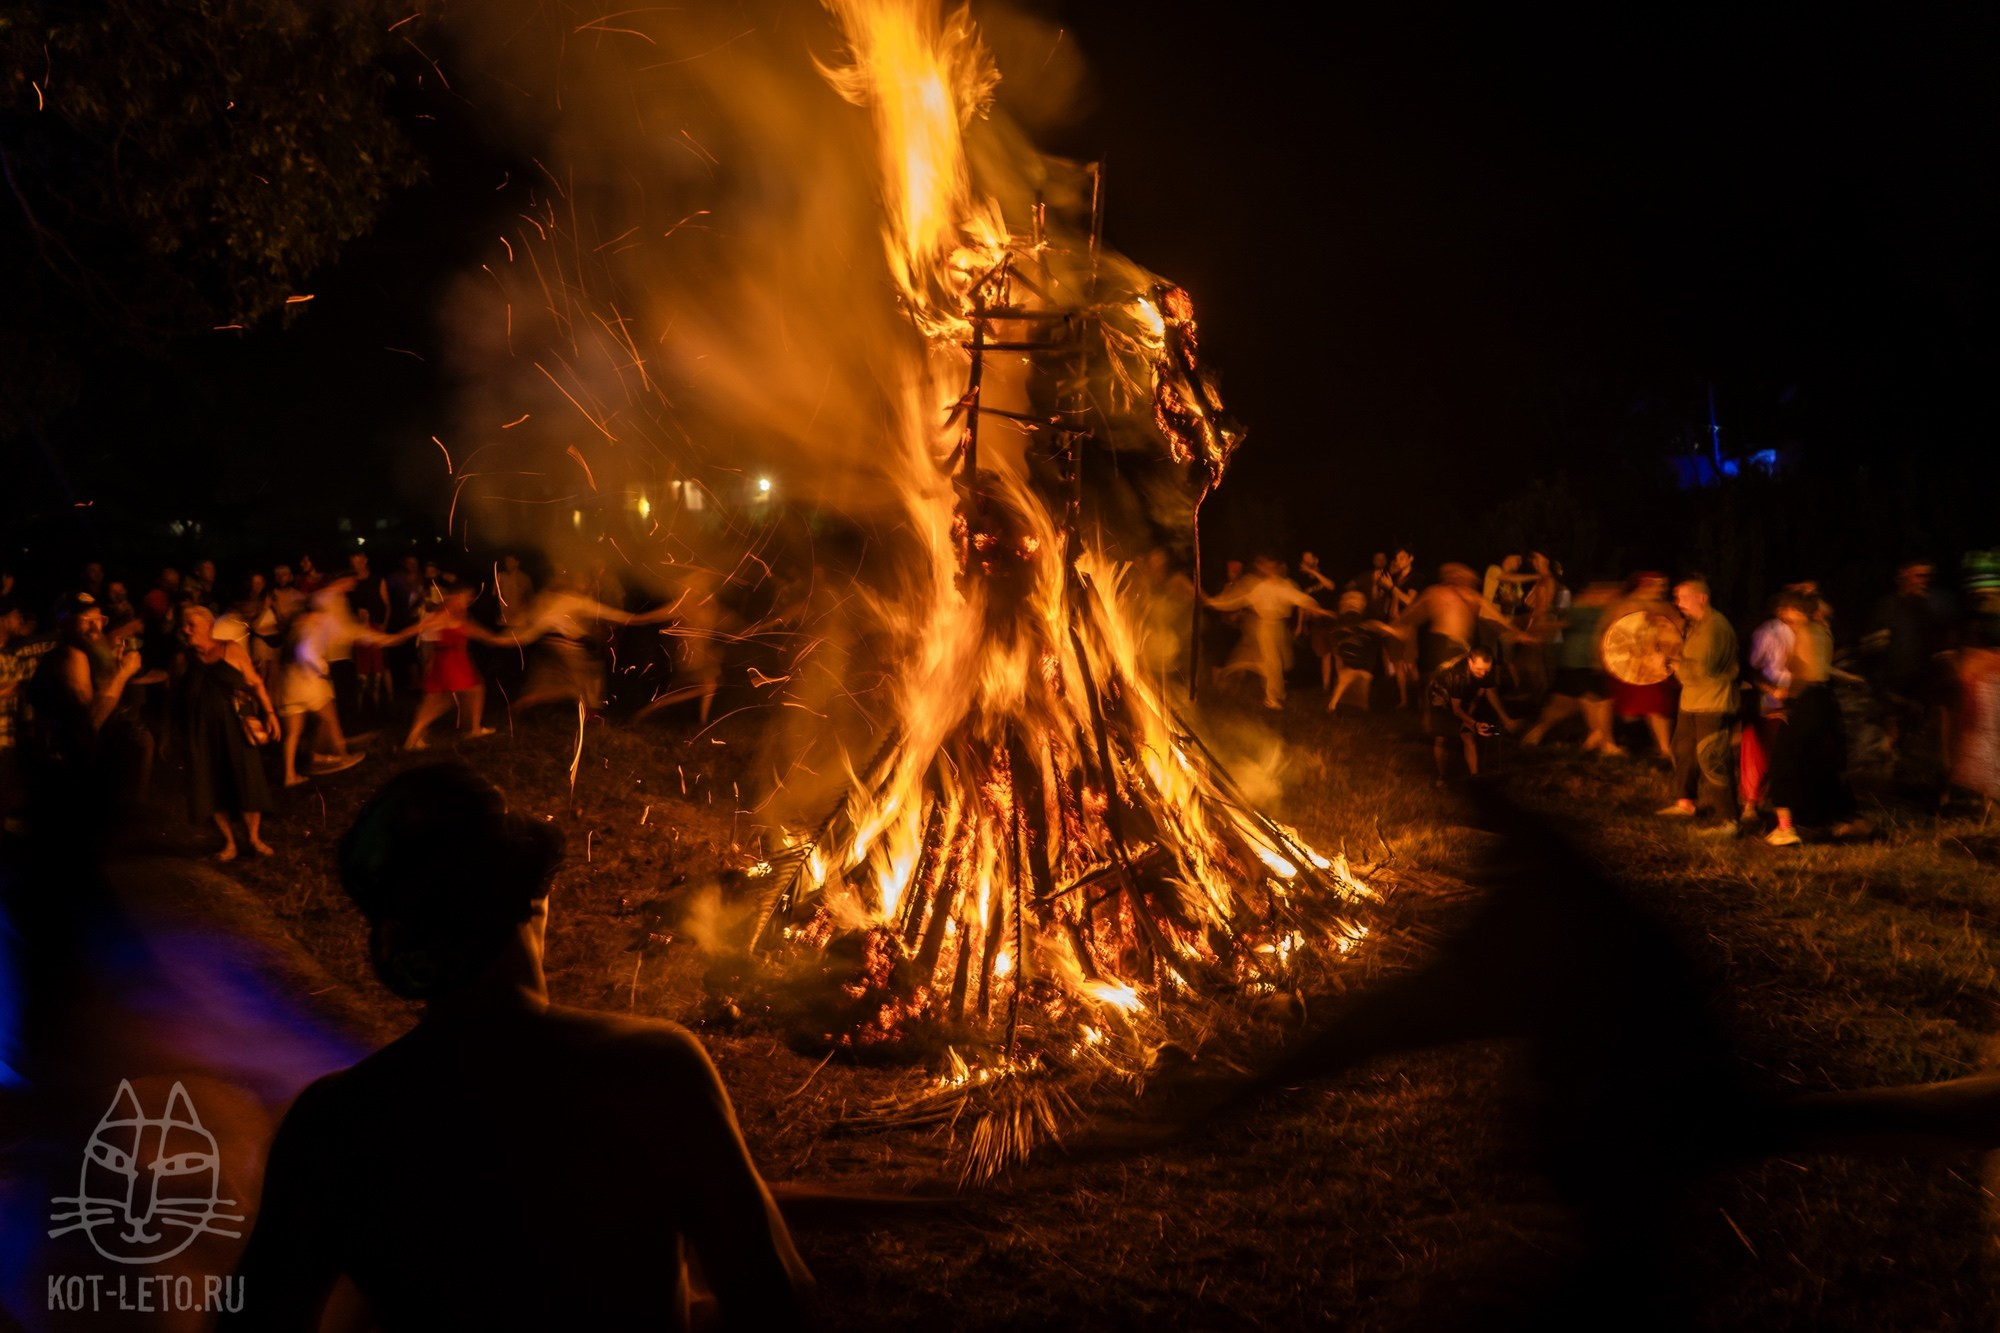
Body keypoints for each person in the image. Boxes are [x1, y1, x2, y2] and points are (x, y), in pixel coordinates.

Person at [223, 763, 814, 1331]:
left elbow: (257, 1318)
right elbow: (776, 1299)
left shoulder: (335, 1123)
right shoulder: (653, 1070)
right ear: (534, 898)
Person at [175, 606, 278, 860]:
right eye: (184, 625)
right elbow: (172, 700)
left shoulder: (230, 649)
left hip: (236, 727)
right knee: (210, 784)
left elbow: (255, 682)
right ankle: (229, 843)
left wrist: (271, 714)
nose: (185, 630)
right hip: (200, 733)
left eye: (191, 625)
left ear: (208, 626)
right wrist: (168, 735)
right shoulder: (181, 660)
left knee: (247, 780)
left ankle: (253, 838)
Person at [1765, 592, 1860, 846]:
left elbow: (1807, 673)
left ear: (1798, 611)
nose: (1781, 614)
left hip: (1805, 701)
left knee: (1783, 762)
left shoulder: (1804, 631)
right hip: (1823, 702)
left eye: (1786, 609)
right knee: (1817, 761)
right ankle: (1827, 819)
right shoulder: (1824, 631)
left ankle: (1785, 829)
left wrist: (1784, 700)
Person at [1656, 578, 1740, 830]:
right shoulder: (1697, 625)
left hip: (1711, 704)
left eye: (1682, 597)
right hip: (1692, 701)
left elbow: (1703, 671)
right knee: (1684, 752)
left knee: (1712, 759)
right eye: (1676, 597)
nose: (1677, 602)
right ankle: (1685, 802)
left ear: (1701, 598)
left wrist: (1672, 663)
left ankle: (1729, 820)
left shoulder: (1715, 627)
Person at [1202, 555, 1332, 710]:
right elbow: (1238, 600)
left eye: (1272, 567)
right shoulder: (1260, 587)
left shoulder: (1284, 586)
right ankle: (1272, 698)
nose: (1270, 570)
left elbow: (1302, 599)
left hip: (1279, 627)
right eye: (1266, 567)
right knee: (1273, 662)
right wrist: (1214, 603)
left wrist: (1317, 609)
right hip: (1266, 626)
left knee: (1283, 661)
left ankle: (1275, 691)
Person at [1523, 581, 1621, 754]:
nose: (1610, 597)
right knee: (1593, 701)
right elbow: (1556, 626)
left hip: (1591, 664)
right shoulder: (1578, 609)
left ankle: (1597, 739)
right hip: (1574, 663)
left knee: (1574, 704)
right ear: (1594, 592)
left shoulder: (1602, 610)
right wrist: (1534, 634)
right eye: (1607, 593)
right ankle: (1605, 741)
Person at [403, 587, 501, 750]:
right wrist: (396, 638)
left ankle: (471, 728)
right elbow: (419, 628)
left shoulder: (459, 615)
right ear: (454, 597)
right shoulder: (445, 614)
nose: (467, 601)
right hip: (451, 662)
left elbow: (474, 631)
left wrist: (497, 639)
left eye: (468, 598)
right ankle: (413, 739)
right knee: (442, 701)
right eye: (464, 597)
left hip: (455, 661)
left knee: (470, 691)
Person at [1604, 573, 1679, 762]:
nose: (1661, 589)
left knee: (1658, 705)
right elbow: (1614, 633)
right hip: (1633, 666)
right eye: (1657, 585)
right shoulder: (1625, 605)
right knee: (1631, 709)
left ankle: (1663, 747)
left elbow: (1675, 629)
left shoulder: (1664, 606)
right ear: (1644, 585)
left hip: (1656, 665)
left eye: (1663, 585)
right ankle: (1611, 739)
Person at [1738, 595, 1795, 828]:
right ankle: (1751, 804)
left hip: (1795, 701)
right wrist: (1771, 689)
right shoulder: (1768, 633)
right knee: (1759, 754)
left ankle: (1786, 809)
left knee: (1786, 755)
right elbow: (1752, 669)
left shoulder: (1809, 631)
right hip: (1769, 701)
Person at [1425, 646, 1519, 782]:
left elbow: (1487, 693)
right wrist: (1475, 723)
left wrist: (1505, 720)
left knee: (1468, 736)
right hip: (1440, 698)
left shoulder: (1486, 670)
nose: (1483, 674)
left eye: (1486, 670)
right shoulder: (1457, 674)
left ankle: (1476, 779)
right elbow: (1456, 709)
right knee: (1441, 738)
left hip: (1461, 696)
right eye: (1479, 670)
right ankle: (1442, 776)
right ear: (1470, 662)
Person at [1325, 591, 1396, 713]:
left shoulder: (1364, 620)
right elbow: (1371, 625)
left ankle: (1361, 705)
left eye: (1357, 600)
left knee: (1365, 676)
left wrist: (1391, 631)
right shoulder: (1345, 621)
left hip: (1361, 656)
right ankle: (1332, 705)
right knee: (1347, 676)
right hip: (1351, 653)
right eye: (1350, 599)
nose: (1354, 601)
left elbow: (1373, 625)